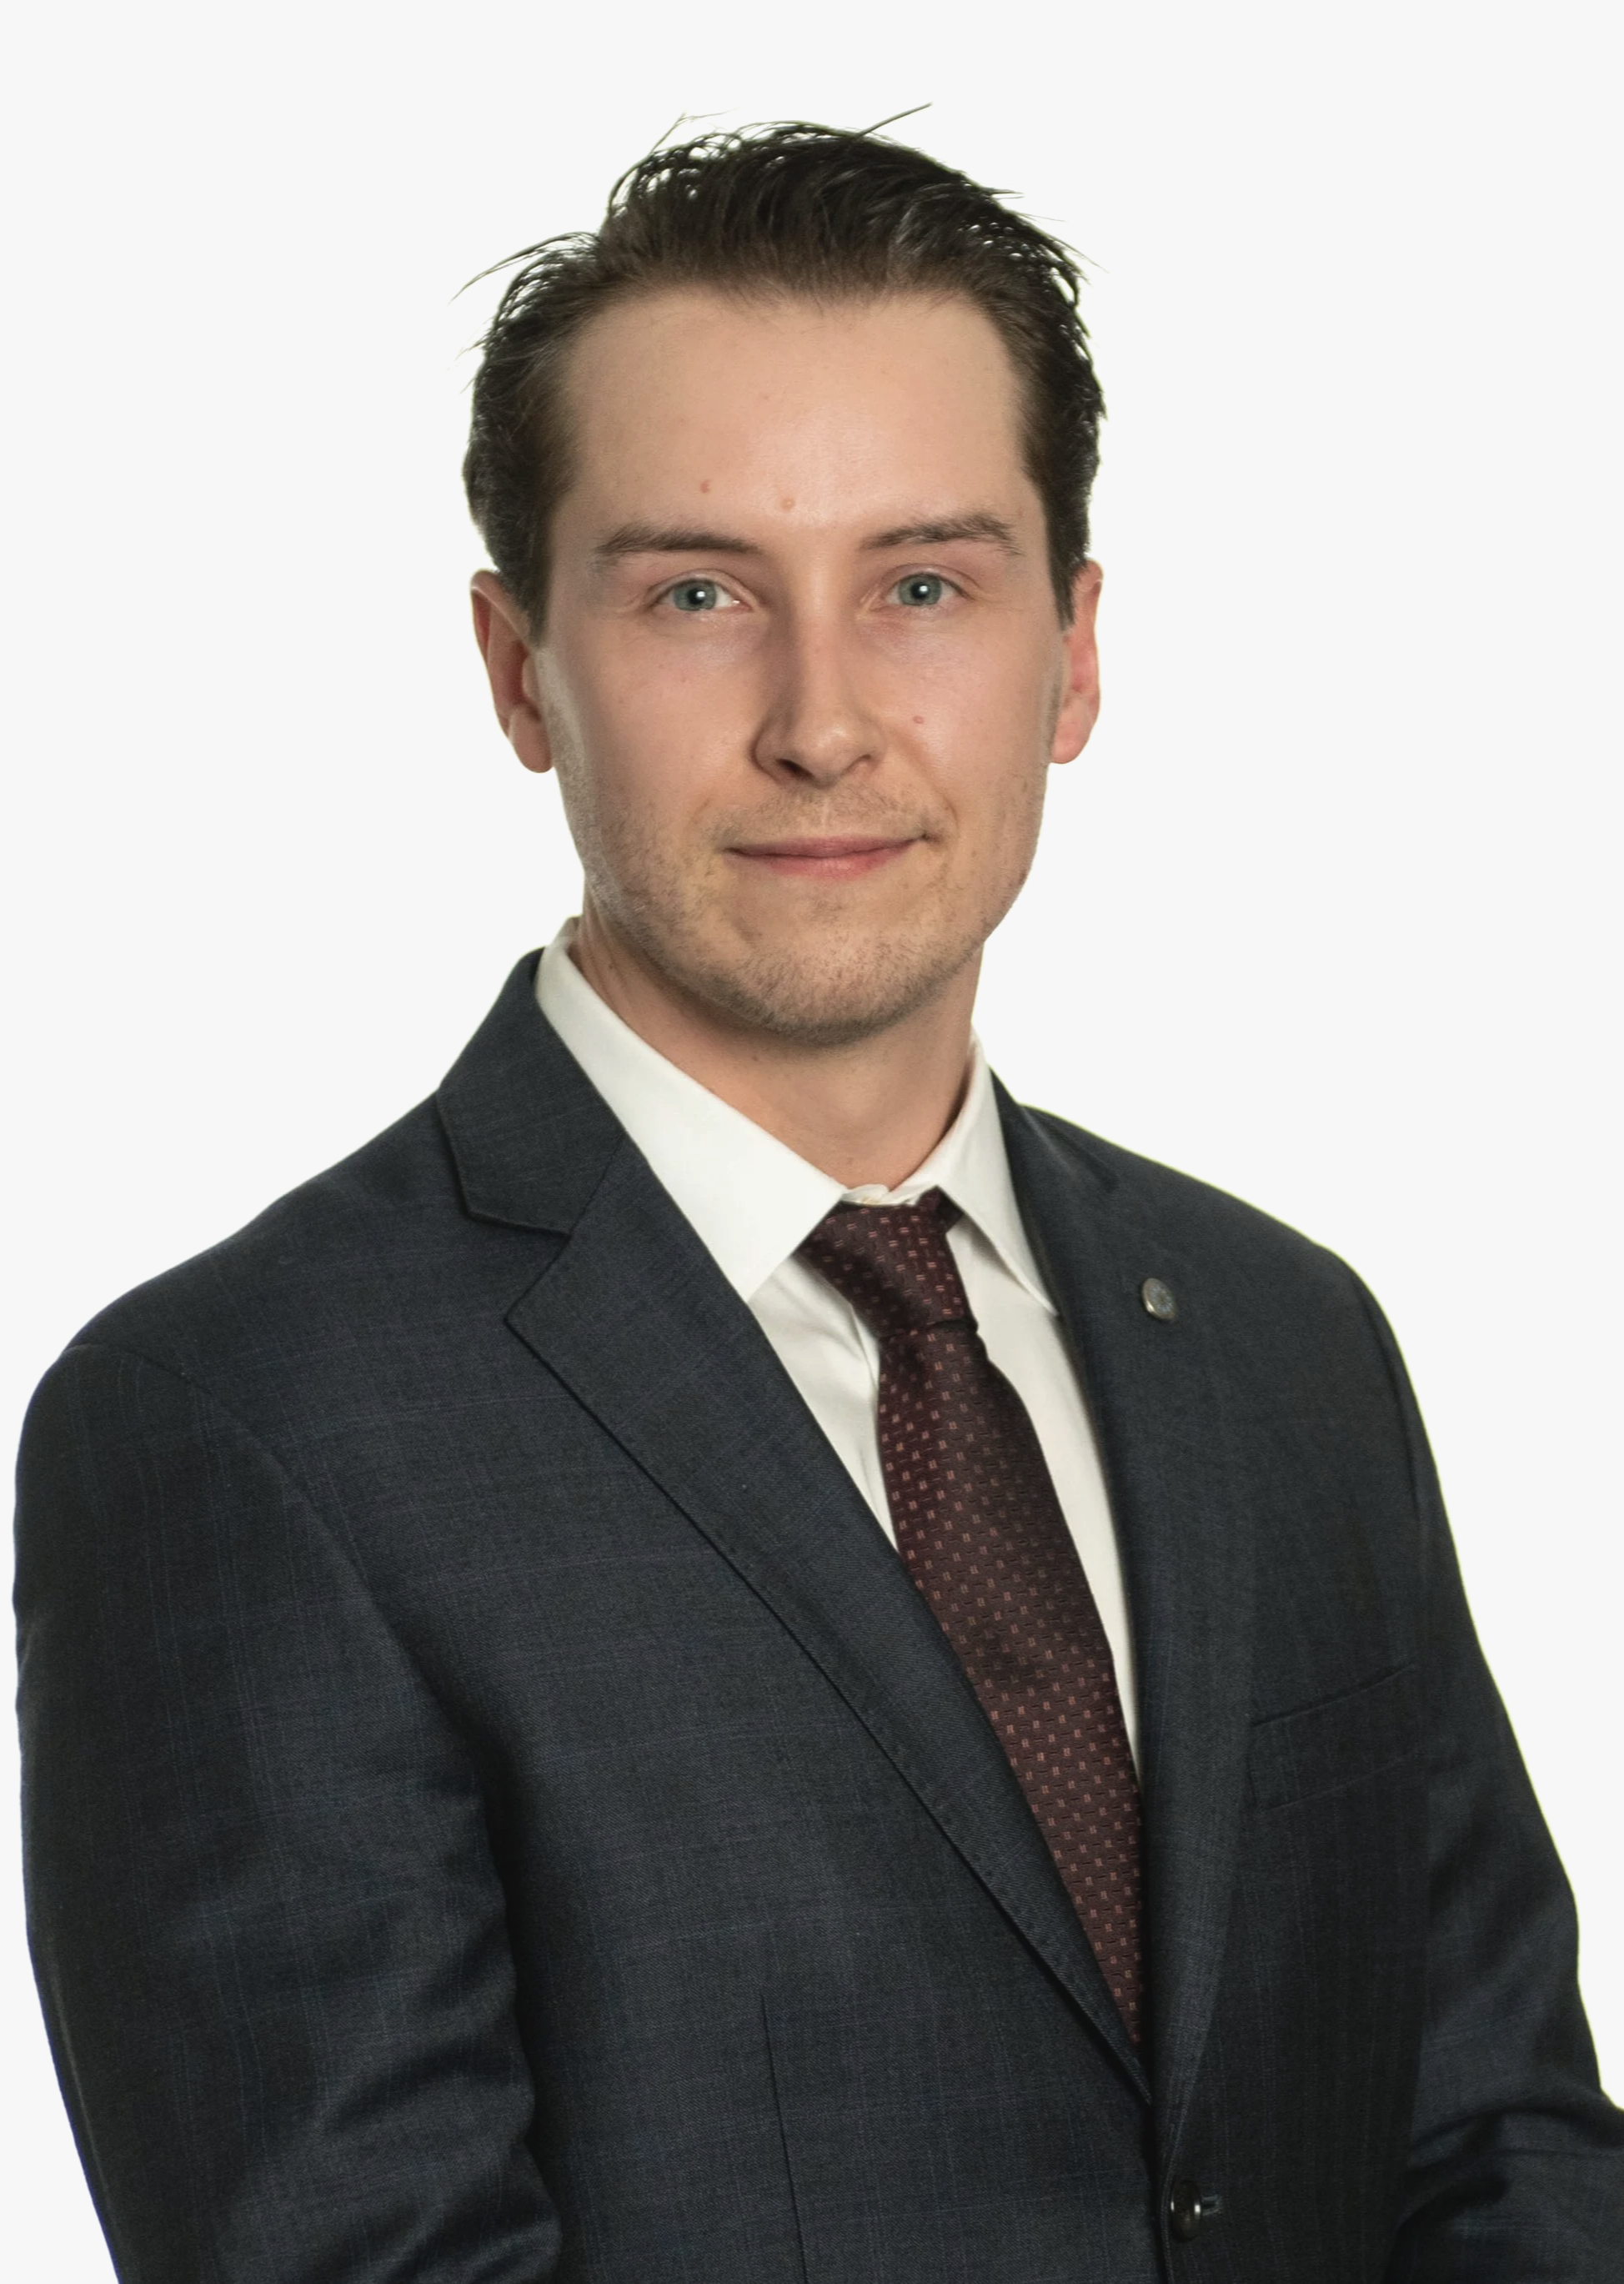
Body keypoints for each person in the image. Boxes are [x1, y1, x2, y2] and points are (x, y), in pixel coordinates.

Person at [13, 120, 1621, 2284]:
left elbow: (1503, 2153)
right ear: (517, 667)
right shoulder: (240, 1423)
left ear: (1068, 653)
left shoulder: (1278, 1341)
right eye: (697, 593)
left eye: (922, 587)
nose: (821, 720)